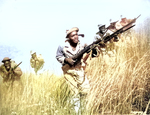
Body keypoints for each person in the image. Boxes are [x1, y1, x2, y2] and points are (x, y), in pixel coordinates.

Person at [56, 27, 90, 114]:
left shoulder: (82, 45)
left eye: (76, 35)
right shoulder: (62, 46)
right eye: (73, 36)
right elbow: (58, 56)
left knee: (85, 90)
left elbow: (89, 53)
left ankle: (84, 109)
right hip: (68, 71)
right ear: (68, 38)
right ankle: (77, 112)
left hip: (79, 70)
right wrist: (66, 60)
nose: (76, 37)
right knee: (74, 93)